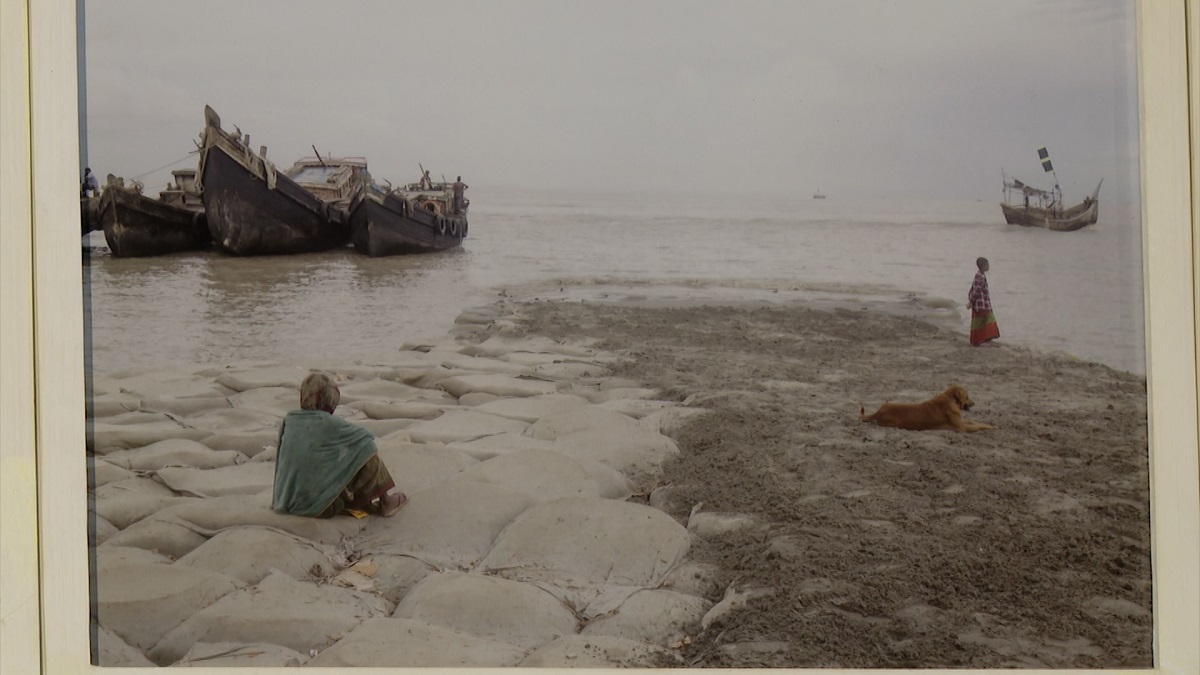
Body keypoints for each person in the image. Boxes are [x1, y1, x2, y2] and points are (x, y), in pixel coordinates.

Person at [272, 372, 407, 517]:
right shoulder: (327, 423)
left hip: (286, 502)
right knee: (366, 449)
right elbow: (366, 438)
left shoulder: (290, 420)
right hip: (318, 507)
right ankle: (386, 502)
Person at [966, 257, 1000, 347]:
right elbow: (977, 290)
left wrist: (971, 301)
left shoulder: (979, 275)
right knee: (987, 321)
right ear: (983, 266)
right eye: (987, 265)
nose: (989, 267)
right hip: (982, 305)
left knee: (980, 322)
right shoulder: (980, 277)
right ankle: (985, 339)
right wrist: (971, 301)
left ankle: (979, 340)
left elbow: (973, 289)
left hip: (981, 304)